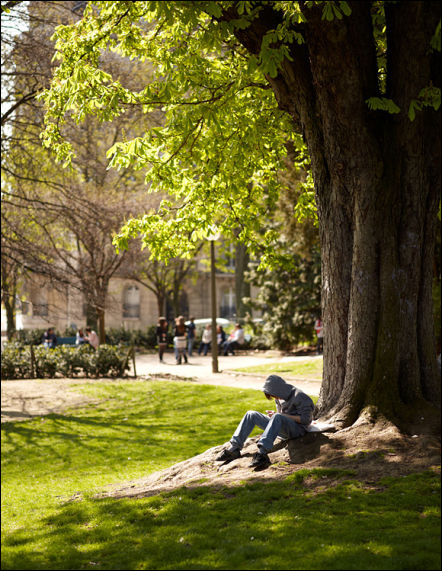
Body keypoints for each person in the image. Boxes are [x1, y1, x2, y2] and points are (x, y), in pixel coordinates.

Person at [216, 375, 315, 470]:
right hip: (283, 427)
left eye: (274, 395)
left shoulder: (300, 396)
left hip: (298, 430)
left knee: (277, 416)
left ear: (280, 389)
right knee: (251, 414)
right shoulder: (278, 397)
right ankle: (234, 448)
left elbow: (306, 420)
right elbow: (281, 415)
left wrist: (280, 416)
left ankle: (262, 453)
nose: (275, 398)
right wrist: (275, 415)